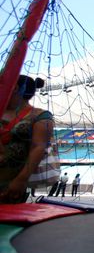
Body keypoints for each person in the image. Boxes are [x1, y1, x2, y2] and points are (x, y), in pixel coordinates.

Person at [0, 75, 54, 203]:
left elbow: (38, 147)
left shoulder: (40, 116)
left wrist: (21, 179)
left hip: (10, 183)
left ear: (15, 88)